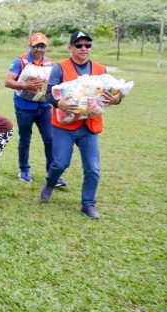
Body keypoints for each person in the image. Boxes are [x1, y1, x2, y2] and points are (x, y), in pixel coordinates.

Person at [41, 30, 122, 219]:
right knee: (60, 163)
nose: (84, 48)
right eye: (79, 45)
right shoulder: (60, 68)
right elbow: (49, 94)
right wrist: (58, 103)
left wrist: (117, 99)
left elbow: (115, 94)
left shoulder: (101, 69)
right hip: (64, 125)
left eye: (87, 45)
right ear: (71, 48)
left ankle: (88, 204)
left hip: (90, 126)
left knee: (93, 168)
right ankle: (50, 182)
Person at [4, 32, 66, 186]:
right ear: (30, 46)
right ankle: (24, 169)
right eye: (36, 46)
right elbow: (8, 82)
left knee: (50, 139)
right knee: (25, 139)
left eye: (42, 46)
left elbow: (55, 85)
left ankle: (53, 174)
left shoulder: (50, 63)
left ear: (46, 47)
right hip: (24, 107)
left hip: (44, 107)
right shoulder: (20, 61)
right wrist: (25, 86)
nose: (39, 49)